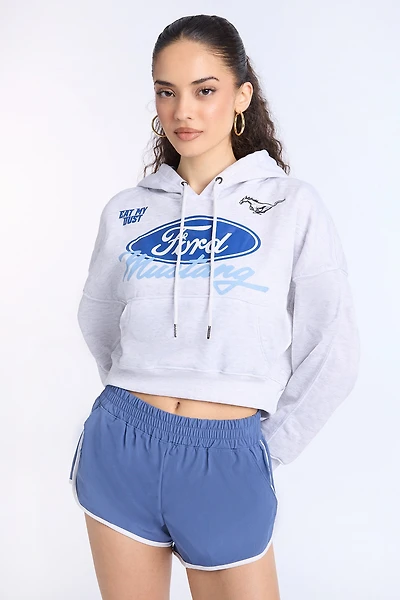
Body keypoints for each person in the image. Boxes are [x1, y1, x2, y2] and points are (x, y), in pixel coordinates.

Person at [68, 14, 360, 600]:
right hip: (121, 448)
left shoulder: (291, 207)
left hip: (228, 456)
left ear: (241, 96)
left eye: (204, 91)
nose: (184, 112)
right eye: (166, 92)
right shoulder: (128, 210)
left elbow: (334, 349)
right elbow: (98, 318)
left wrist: (265, 449)